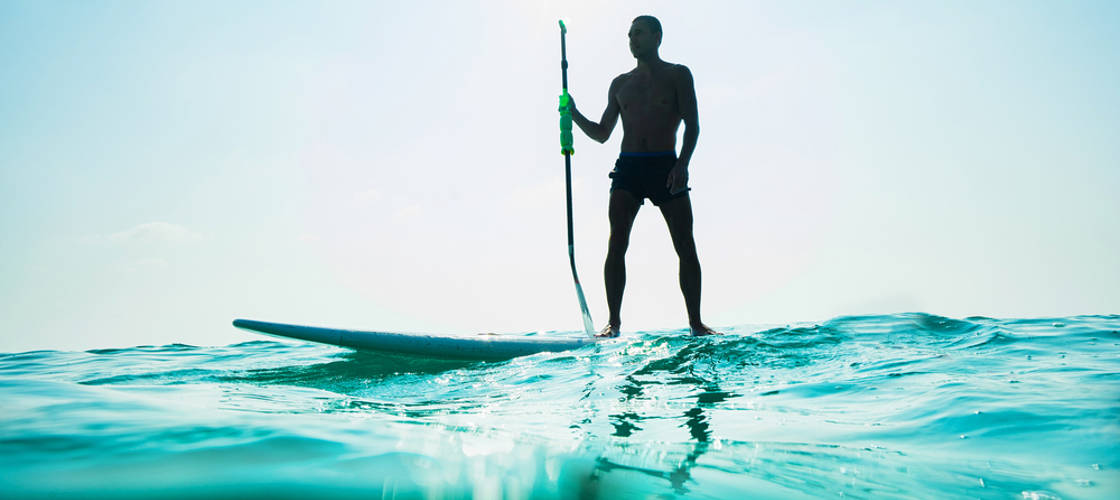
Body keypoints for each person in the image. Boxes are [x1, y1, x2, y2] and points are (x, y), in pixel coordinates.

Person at [566, 15, 719, 338]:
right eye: (629, 35)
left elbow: (693, 124)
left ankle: (696, 322)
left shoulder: (678, 75)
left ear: (657, 37)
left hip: (667, 165)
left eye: (638, 33)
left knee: (685, 245)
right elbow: (602, 133)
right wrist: (574, 113)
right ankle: (613, 323)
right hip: (629, 167)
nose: (632, 40)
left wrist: (683, 163)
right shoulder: (621, 83)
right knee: (616, 241)